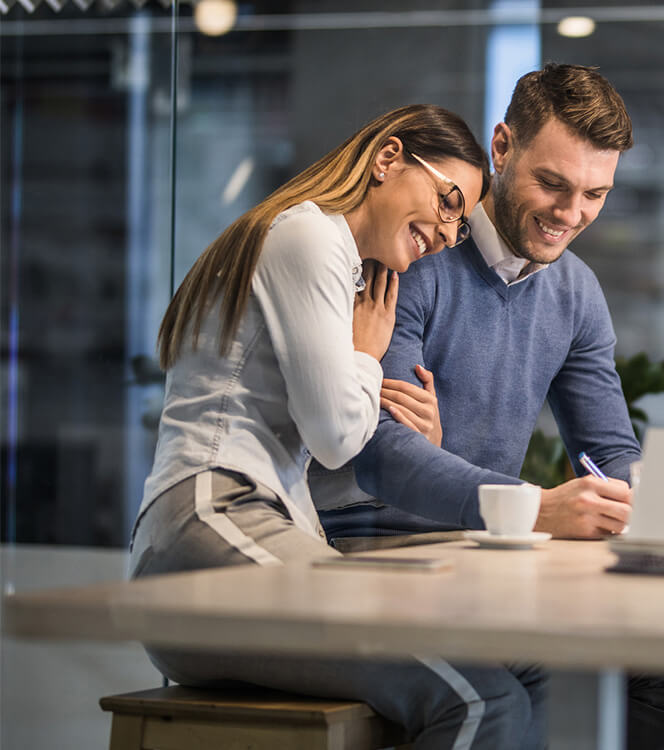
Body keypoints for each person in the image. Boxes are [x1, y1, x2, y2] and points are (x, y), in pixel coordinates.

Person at [313, 64, 664, 749]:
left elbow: (607, 450)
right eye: (554, 184)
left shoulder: (576, 292)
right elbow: (383, 454)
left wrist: (641, 497)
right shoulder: (413, 249)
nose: (571, 214)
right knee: (511, 702)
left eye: (595, 194)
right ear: (502, 147)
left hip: (488, 559)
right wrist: (537, 507)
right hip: (377, 547)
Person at [130, 104, 548, 749]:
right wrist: (363, 353)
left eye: (460, 224)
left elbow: (331, 447)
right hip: (208, 528)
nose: (445, 231)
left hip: (254, 528)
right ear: (387, 159)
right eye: (447, 201)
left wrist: (403, 427)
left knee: (522, 665)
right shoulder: (310, 237)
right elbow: (333, 434)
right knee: (479, 698)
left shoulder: (340, 258)